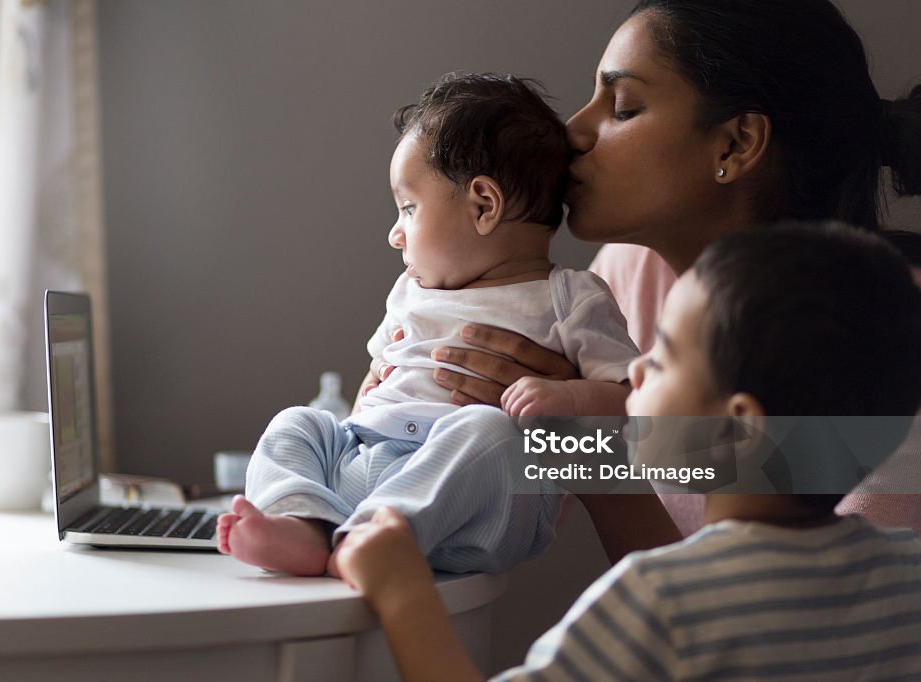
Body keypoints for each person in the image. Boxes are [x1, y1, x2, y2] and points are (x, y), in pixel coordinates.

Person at [361, 0, 921, 557]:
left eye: (623, 107)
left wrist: (586, 440)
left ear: (735, 142)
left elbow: (804, 629)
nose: (573, 131)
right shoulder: (629, 275)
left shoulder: (892, 328)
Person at [335, 222, 921, 681]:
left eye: (662, 356)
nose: (635, 367)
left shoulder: (660, 601)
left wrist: (403, 592)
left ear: (739, 429)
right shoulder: (905, 575)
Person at [216, 73, 638, 577]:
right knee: (298, 423)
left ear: (484, 205)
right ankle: (304, 523)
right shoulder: (411, 290)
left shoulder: (572, 297)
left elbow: (635, 404)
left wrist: (569, 403)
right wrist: (364, 404)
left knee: (491, 431)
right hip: (369, 467)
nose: (396, 233)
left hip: (470, 497)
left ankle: (372, 540)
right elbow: (378, 375)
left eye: (409, 209)